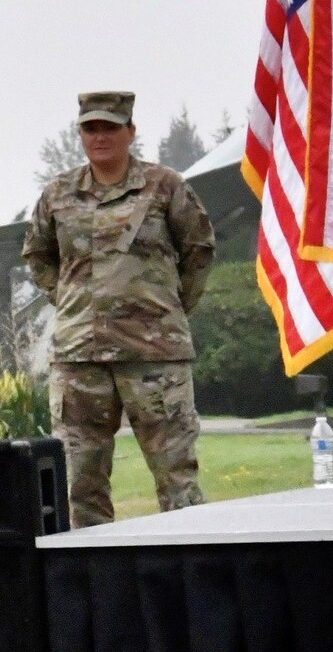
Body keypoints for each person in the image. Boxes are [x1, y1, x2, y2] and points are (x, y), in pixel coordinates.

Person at [22, 91, 217, 528]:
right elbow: (38, 256)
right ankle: (95, 585)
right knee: (80, 485)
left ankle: (186, 575)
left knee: (177, 480)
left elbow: (198, 251)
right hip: (80, 360)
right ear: (80, 135)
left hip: (154, 357)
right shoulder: (57, 194)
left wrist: (165, 311)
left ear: (131, 132)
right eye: (90, 128)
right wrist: (74, 303)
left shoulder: (165, 187)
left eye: (110, 127)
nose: (100, 136)